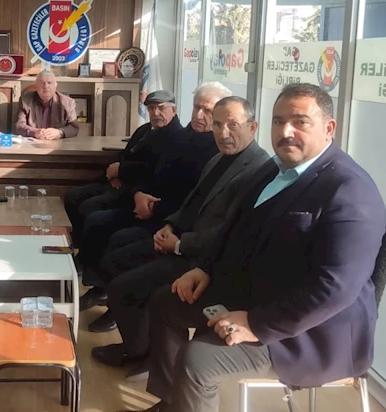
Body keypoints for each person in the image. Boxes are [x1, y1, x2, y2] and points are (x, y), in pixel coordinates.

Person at [130, 83, 386, 412]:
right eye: (279, 121)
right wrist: (204, 268)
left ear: (329, 128)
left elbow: (334, 289)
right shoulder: (275, 168)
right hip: (253, 293)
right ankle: (173, 404)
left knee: (199, 359)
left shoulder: (350, 191)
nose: (286, 131)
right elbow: (234, 226)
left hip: (307, 331)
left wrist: (257, 323)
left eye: (300, 122)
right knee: (165, 302)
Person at [87, 96, 269, 364]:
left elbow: (228, 233)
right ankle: (141, 345)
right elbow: (191, 204)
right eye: (218, 125)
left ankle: (139, 354)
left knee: (124, 288)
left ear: (252, 127)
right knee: (116, 260)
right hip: (179, 240)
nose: (223, 133)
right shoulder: (218, 159)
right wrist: (169, 226)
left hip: (203, 262)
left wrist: (180, 245)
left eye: (233, 125)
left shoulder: (258, 170)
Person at [76, 82, 230, 285]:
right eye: (196, 107)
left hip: (170, 219)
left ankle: (104, 292)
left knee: (117, 239)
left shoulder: (218, 151)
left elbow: (194, 200)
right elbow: (150, 170)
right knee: (97, 220)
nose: (199, 115)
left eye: (207, 111)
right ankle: (94, 282)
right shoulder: (179, 137)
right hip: (145, 203)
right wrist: (138, 193)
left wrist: (154, 209)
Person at [63, 90, 182, 243]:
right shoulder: (145, 129)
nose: (155, 113)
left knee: (89, 209)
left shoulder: (177, 137)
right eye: (151, 108)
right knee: (72, 197)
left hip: (137, 191)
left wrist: (121, 170)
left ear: (174, 110)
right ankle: (74, 245)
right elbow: (126, 154)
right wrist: (116, 174)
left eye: (161, 108)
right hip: (119, 182)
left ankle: (86, 253)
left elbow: (150, 169)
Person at [15, 70, 79, 139]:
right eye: (42, 83)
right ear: (36, 86)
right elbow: (19, 125)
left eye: (49, 83)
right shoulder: (25, 100)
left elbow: (74, 127)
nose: (46, 86)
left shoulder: (68, 103)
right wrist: (34, 132)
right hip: (33, 142)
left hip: (57, 143)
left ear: (55, 85)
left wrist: (60, 132)